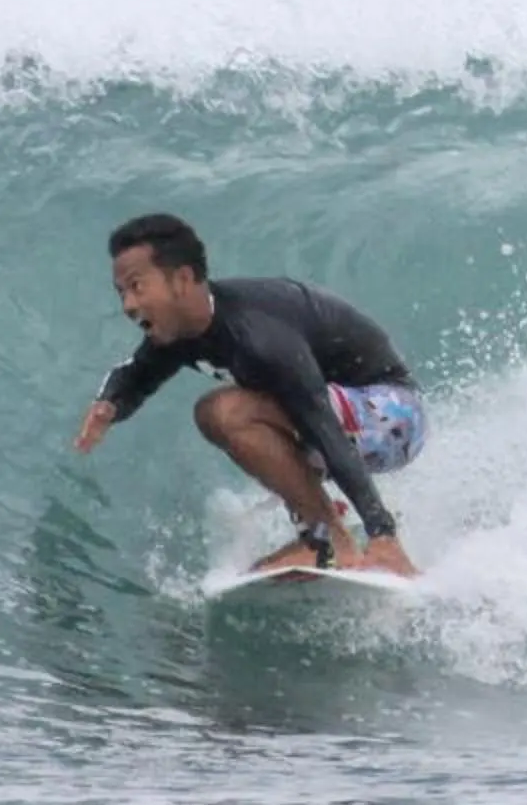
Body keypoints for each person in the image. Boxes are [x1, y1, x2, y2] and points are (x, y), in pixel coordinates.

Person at [74, 213, 424, 575]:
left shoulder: (260, 335)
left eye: (137, 287)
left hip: (393, 416)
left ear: (181, 279)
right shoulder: (178, 333)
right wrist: (109, 405)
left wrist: (382, 533)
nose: (128, 305)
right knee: (219, 416)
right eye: (122, 293)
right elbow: (137, 373)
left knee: (226, 412)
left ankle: (329, 542)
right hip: (345, 421)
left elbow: (322, 425)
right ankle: (324, 535)